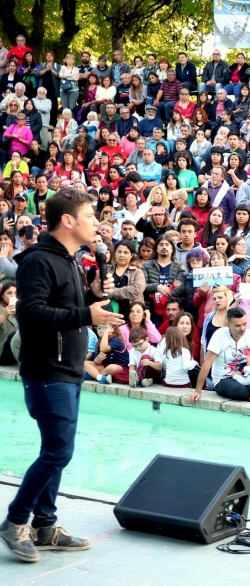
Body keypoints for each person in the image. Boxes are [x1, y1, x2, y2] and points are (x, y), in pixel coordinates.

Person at [1, 188, 123, 562]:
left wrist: (93, 310)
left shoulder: (69, 259)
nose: (96, 223)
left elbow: (63, 310)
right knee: (57, 451)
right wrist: (87, 316)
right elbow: (32, 314)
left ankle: (45, 525)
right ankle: (15, 520)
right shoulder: (39, 261)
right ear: (68, 220)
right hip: (47, 372)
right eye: (90, 216)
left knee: (55, 451)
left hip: (67, 370)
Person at [186, 307, 250, 402]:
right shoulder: (219, 335)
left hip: (246, 375)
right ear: (227, 324)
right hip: (224, 379)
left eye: (245, 324)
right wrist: (198, 391)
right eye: (238, 326)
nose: (243, 328)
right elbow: (207, 364)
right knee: (241, 391)